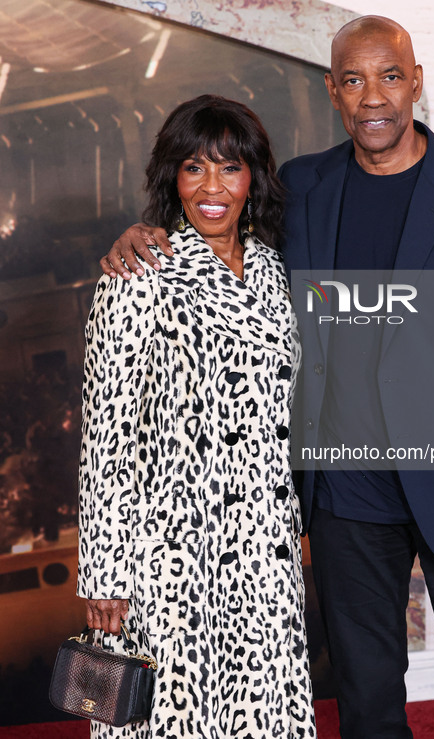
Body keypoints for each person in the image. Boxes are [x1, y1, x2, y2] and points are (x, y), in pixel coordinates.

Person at [102, 17, 434, 739]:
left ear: (415, 84)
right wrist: (143, 232)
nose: (373, 97)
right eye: (353, 80)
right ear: (334, 92)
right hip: (345, 497)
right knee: (366, 699)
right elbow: (218, 218)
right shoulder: (306, 186)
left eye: (389, 77)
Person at [77, 94, 317, 739]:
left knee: (266, 715)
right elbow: (107, 435)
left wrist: (291, 524)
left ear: (253, 178)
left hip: (264, 550)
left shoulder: (273, 271)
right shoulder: (138, 272)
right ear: (172, 179)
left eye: (229, 168)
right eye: (193, 167)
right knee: (172, 719)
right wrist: (104, 573)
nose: (212, 187)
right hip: (170, 556)